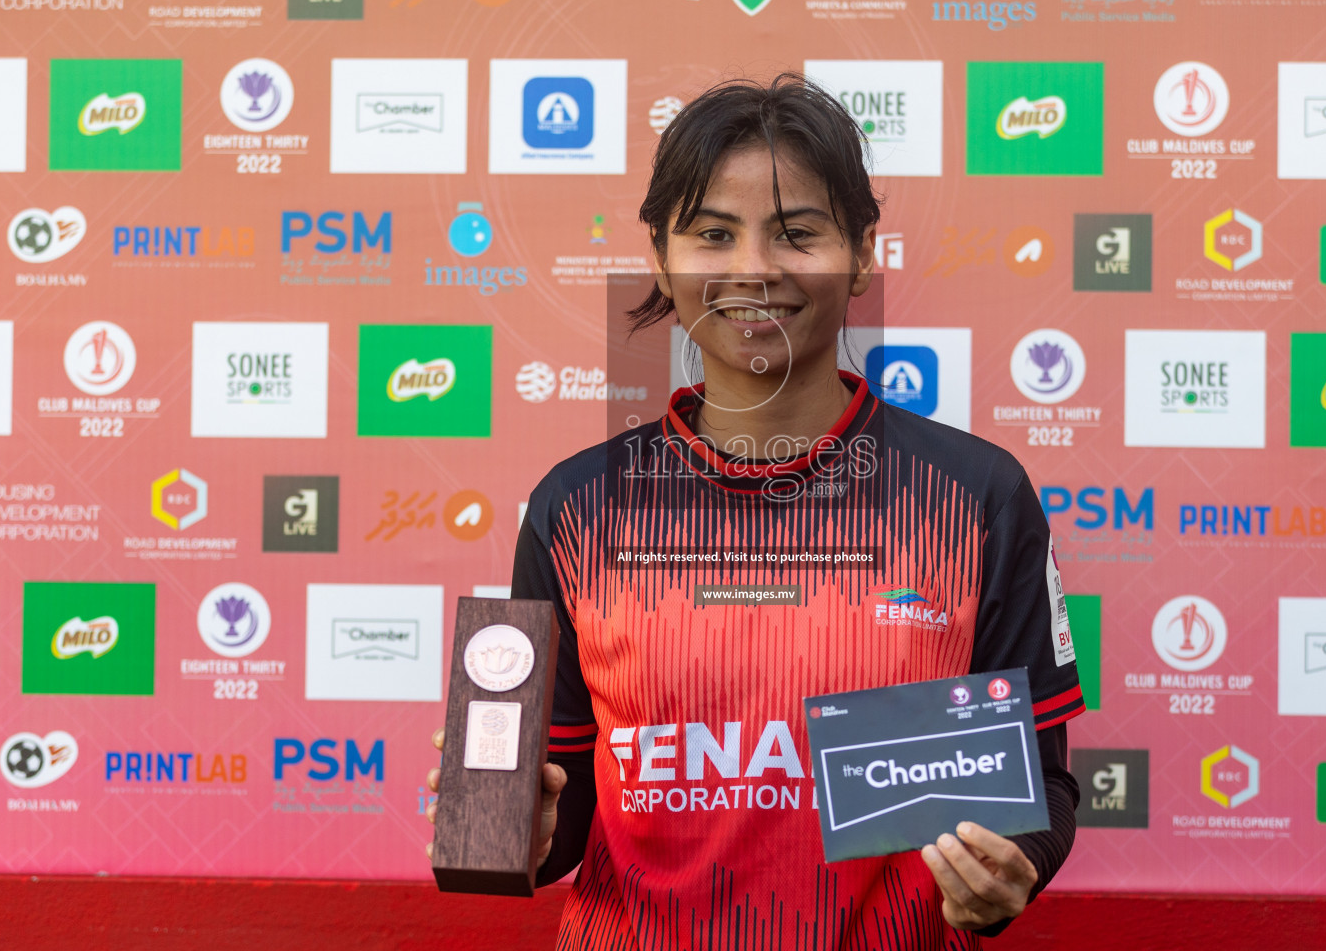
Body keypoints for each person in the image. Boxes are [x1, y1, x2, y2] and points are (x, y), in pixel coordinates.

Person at [427, 73, 1083, 948]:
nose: (753, 268)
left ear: (862, 251)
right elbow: (561, 800)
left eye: (797, 233)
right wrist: (525, 840)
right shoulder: (576, 509)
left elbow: (1038, 783)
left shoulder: (975, 497)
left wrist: (1012, 869)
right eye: (712, 234)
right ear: (660, 256)